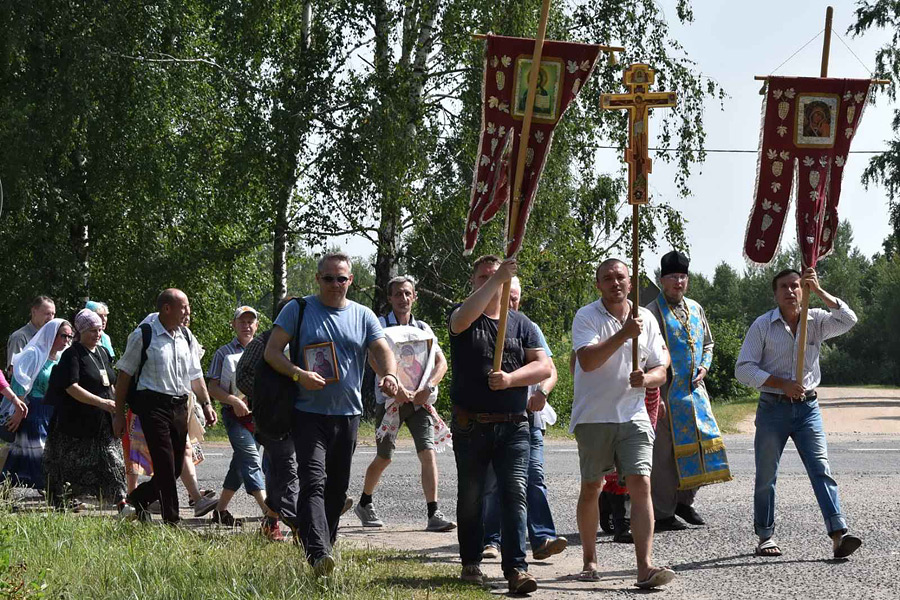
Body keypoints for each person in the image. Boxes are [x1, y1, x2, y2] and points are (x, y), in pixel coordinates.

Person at [264, 252, 399, 576]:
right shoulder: (298, 310)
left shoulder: (363, 315)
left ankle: (326, 549)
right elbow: (271, 352)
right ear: (318, 279)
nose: (336, 284)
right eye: (329, 278)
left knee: (337, 490)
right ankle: (317, 551)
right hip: (307, 414)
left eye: (342, 279)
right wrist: (298, 374)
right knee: (313, 483)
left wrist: (390, 374)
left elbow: (382, 350)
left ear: (350, 280)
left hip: (348, 415)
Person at [735, 267, 862, 559]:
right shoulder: (763, 325)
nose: (791, 291)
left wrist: (818, 290)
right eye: (784, 287)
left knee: (821, 469)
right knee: (766, 475)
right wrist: (782, 384)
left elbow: (848, 319)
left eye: (796, 286)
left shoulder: (816, 320)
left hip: (807, 409)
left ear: (802, 289)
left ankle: (838, 534)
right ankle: (765, 536)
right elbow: (743, 369)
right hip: (773, 408)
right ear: (775, 293)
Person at [448, 255, 551, 594]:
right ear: (474, 282)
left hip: (514, 426)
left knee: (514, 494)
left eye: (497, 276)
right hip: (471, 425)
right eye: (483, 277)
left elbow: (543, 367)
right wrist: (497, 279)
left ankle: (516, 569)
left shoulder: (521, 324)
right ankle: (471, 562)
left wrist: (510, 380)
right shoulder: (464, 319)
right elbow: (461, 319)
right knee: (472, 497)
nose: (490, 281)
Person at [571, 259, 675, 589]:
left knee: (641, 484)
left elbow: (662, 365)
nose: (615, 283)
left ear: (631, 282)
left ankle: (644, 567)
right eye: (608, 278)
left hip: (634, 415)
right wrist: (623, 334)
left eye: (621, 277)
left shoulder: (647, 318)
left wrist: (647, 379)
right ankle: (589, 559)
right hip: (594, 417)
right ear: (598, 284)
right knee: (592, 487)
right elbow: (587, 361)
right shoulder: (586, 316)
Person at [355, 275, 454, 532]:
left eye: (408, 293)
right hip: (390, 402)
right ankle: (365, 502)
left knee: (428, 452)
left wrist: (429, 387)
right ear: (389, 298)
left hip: (419, 402)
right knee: (384, 456)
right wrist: (393, 387)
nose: (403, 298)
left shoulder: (423, 328)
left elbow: (441, 362)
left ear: (415, 297)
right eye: (397, 294)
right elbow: (372, 358)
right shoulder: (379, 325)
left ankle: (434, 512)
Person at [113, 289, 217, 525]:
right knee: (165, 463)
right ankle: (173, 520)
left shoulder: (186, 336)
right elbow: (124, 376)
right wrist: (119, 414)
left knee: (175, 466)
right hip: (153, 406)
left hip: (180, 406)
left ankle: (135, 501)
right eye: (184, 307)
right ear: (167, 308)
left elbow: (196, 375)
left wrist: (207, 403)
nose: (188, 312)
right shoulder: (144, 335)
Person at [482, 276, 567, 561]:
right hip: (497, 415)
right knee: (494, 481)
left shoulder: (530, 328)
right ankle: (491, 540)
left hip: (530, 417)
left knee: (534, 476)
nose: (511, 302)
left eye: (515, 297)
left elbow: (550, 370)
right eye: (506, 296)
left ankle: (542, 537)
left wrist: (542, 391)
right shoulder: (484, 326)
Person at [647, 251, 731, 531]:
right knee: (664, 455)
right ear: (662, 280)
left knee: (701, 445)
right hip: (666, 391)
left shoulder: (696, 308)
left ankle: (685, 501)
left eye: (682, 277)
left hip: (695, 391)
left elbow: (708, 343)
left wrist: (705, 367)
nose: (678, 282)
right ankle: (662, 512)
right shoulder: (651, 311)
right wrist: (654, 393)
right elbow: (647, 353)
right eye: (673, 277)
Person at [43, 309, 126, 510]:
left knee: (113, 461)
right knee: (70, 467)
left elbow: (110, 383)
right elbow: (71, 387)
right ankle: (62, 501)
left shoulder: (103, 352)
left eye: (99, 330)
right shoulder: (72, 355)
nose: (97, 334)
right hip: (75, 423)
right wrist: (101, 402)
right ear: (80, 332)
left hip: (102, 421)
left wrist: (116, 408)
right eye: (91, 330)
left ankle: (122, 502)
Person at [207, 306, 278, 533]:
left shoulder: (267, 350)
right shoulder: (223, 353)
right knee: (251, 459)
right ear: (234, 324)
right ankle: (269, 513)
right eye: (242, 322)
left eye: (251, 322)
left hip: (259, 417)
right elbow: (213, 387)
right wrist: (234, 401)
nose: (247, 326)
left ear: (257, 325)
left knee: (240, 465)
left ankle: (220, 511)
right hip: (234, 417)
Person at [1, 318, 71, 490]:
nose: (67, 341)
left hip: (53, 412)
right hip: (34, 411)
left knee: (23, 455)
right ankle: (56, 492)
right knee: (40, 453)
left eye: (70, 337)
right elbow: (19, 382)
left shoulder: (63, 357)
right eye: (63, 336)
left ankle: (7, 487)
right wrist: (18, 410)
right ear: (52, 335)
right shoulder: (34, 353)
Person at [6, 296, 56, 371]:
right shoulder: (20, 337)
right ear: (34, 312)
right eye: (47, 313)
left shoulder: (51, 338)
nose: (51, 318)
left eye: (53, 314)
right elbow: (13, 370)